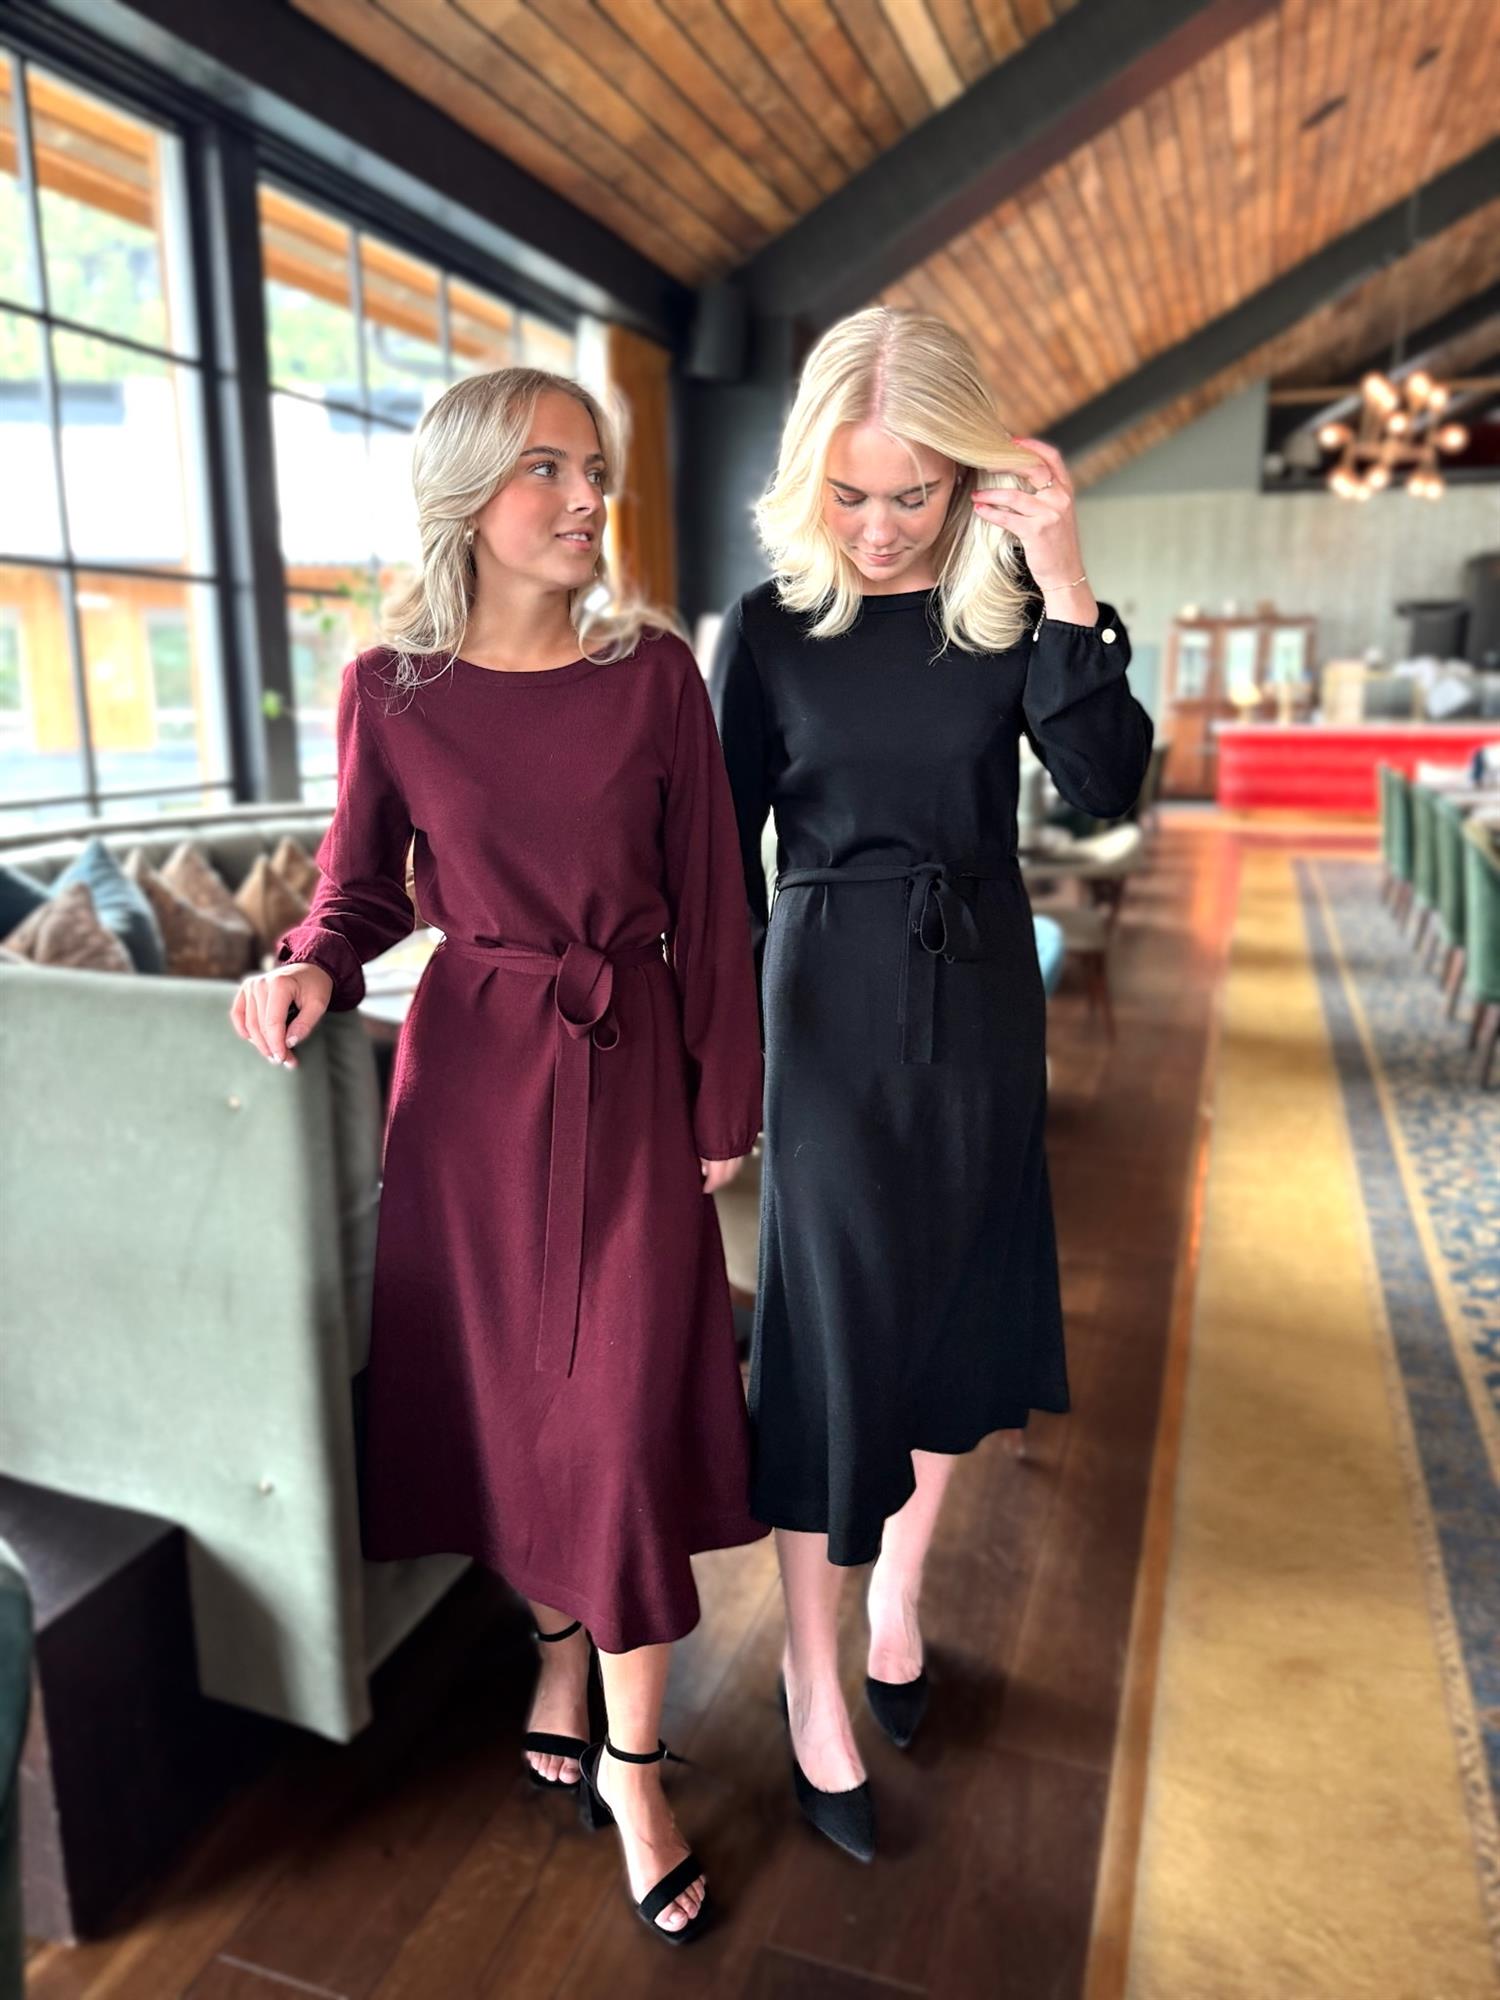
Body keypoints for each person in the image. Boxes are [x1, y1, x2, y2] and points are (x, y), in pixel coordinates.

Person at [232, 367, 766, 1942]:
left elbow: (715, 904)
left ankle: (640, 1768)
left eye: (596, 468)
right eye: (551, 468)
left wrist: (722, 1102)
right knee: (521, 1422)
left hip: (627, 1075)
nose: (591, 497)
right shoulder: (390, 685)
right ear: (467, 493)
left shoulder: (653, 676)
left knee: (619, 1429)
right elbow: (361, 888)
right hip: (468, 1090)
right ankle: (554, 1654)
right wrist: (309, 964)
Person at [709, 307, 1152, 1860]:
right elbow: (723, 868)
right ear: (807, 481)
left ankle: (898, 1595)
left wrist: (1065, 571)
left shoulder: (1008, 611)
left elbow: (1105, 784)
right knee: (831, 1345)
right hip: (826, 1004)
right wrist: (729, 1070)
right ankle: (808, 1672)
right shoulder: (767, 628)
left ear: (970, 479)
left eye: (916, 493)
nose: (884, 526)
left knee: (964, 1306)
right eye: (852, 494)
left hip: (979, 994)